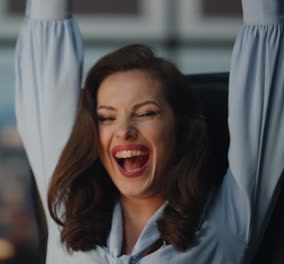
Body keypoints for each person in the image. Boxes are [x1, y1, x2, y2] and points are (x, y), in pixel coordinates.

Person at [15, 0, 284, 263]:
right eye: (106, 118)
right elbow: (45, 50)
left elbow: (266, 82)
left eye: (145, 113)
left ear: (180, 127)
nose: (123, 130)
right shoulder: (69, 213)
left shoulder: (226, 224)